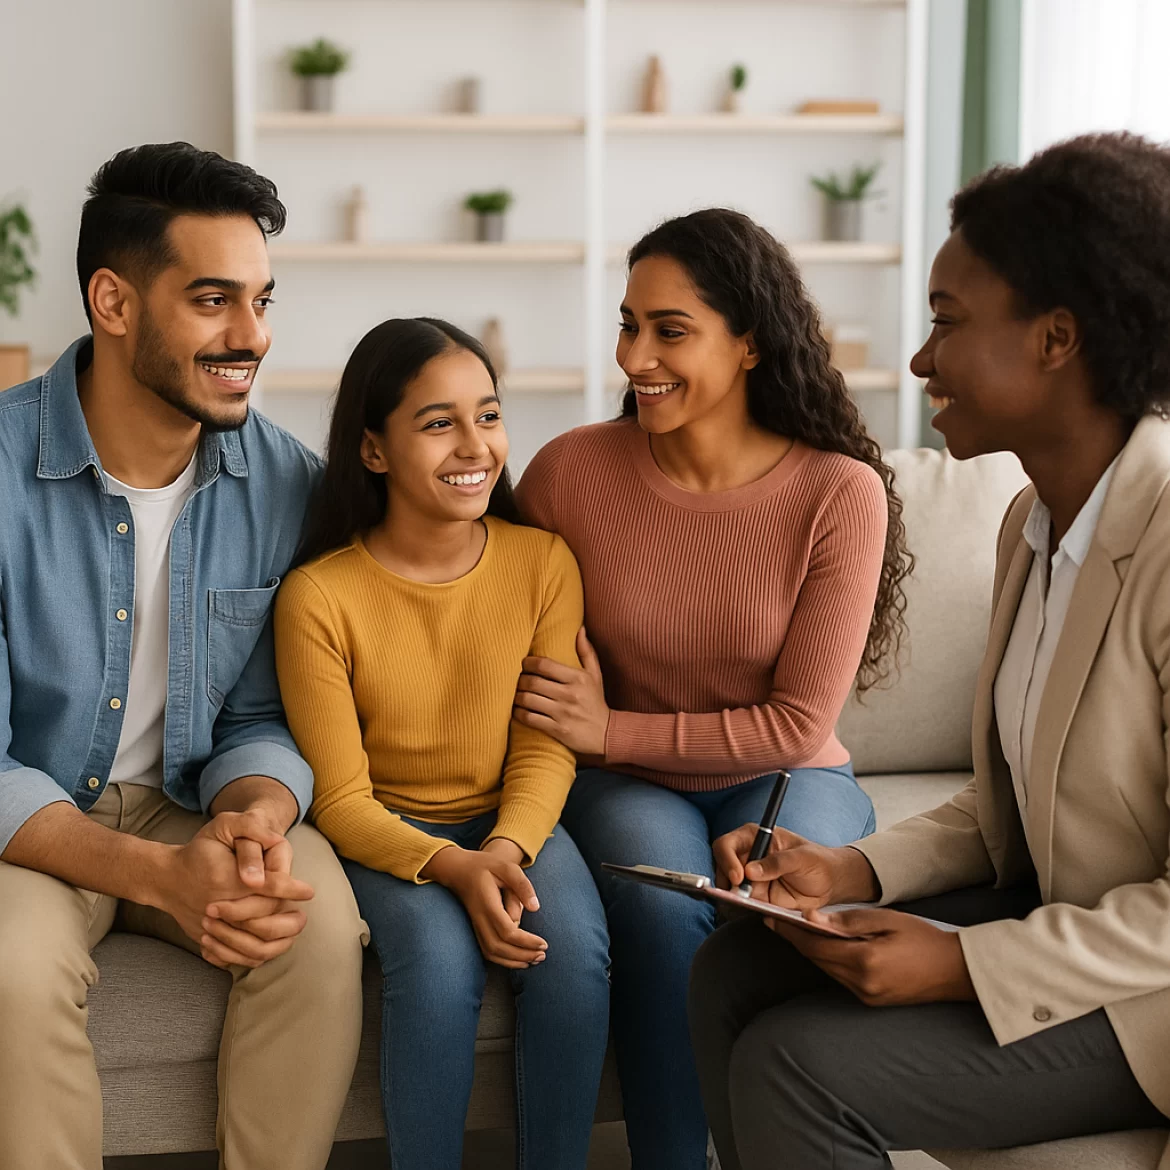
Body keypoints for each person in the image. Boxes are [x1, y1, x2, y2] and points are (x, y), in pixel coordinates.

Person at [691, 131, 1170, 1170]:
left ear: (1056, 338)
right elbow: (1019, 793)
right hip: (1068, 914)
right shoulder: (1032, 524)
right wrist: (852, 865)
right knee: (733, 967)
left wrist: (966, 965)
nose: (919, 360)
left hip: (1154, 999)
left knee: (797, 1064)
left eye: (947, 322)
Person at [513, 208, 912, 1170]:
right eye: (627, 324)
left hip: (783, 772)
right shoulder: (571, 472)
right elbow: (502, 628)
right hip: (626, 784)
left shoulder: (837, 492)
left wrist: (613, 729)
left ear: (749, 343)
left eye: (669, 330)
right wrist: (598, 743)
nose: (634, 355)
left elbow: (797, 723)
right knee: (660, 906)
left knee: (771, 902)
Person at [0, 142, 367, 1170]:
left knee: (313, 926)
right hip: (31, 820)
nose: (251, 337)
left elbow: (267, 713)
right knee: (11, 972)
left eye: (261, 301)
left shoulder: (293, 487)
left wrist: (254, 820)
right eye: (214, 301)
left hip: (198, 800)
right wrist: (159, 876)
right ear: (113, 303)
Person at [274, 317, 610, 1170]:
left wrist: (503, 848)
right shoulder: (319, 595)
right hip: (387, 834)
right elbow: (341, 801)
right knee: (433, 964)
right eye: (438, 422)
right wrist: (453, 868)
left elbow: (545, 744)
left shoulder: (544, 562)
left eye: (488, 415)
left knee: (571, 960)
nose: (476, 445)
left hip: (509, 820)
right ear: (374, 450)